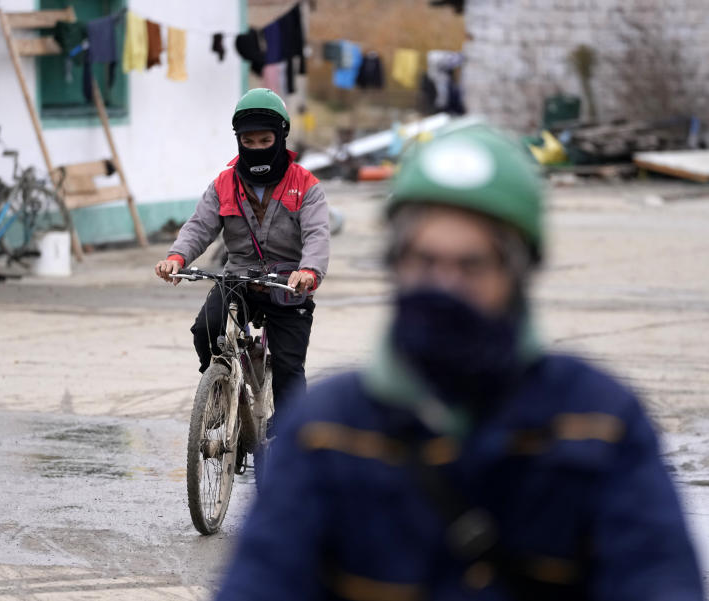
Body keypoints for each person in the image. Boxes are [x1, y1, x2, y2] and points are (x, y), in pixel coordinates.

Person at [213, 124, 704, 601]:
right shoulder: (326, 430)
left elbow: (659, 577)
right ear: (396, 264)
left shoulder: (598, 424)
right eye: (424, 262)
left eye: (472, 265)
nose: (444, 286)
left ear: (518, 272)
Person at [154, 88, 329, 411]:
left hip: (288, 284)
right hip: (238, 279)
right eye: (248, 142)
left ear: (281, 136)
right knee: (206, 329)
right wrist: (176, 258)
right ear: (238, 140)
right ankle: (218, 393)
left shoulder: (305, 184)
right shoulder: (223, 184)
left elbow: (318, 234)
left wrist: (309, 271)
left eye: (265, 141)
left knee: (290, 369)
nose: (257, 148)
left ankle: (291, 434)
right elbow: (199, 227)